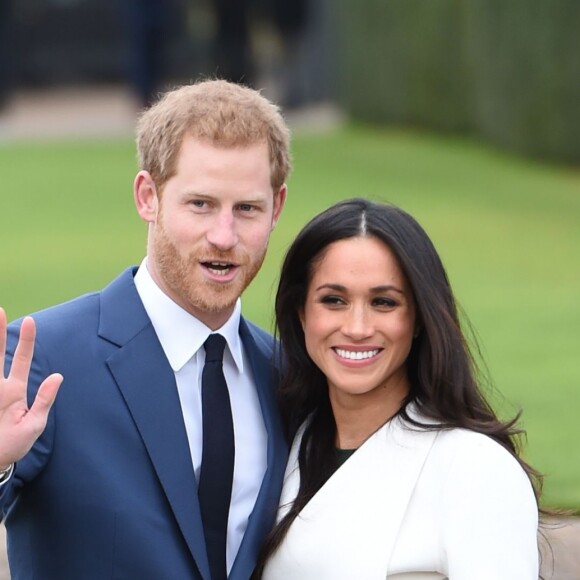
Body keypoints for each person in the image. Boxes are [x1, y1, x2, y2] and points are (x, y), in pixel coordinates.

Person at [0, 78, 291, 579]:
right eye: (200, 204)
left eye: (246, 209)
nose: (223, 237)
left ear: (277, 208)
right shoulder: (45, 357)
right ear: (147, 197)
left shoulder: (287, 375)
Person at [257, 198, 540, 579]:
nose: (357, 327)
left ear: (420, 318)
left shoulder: (474, 467)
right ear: (301, 313)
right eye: (334, 300)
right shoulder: (285, 443)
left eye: (384, 302)